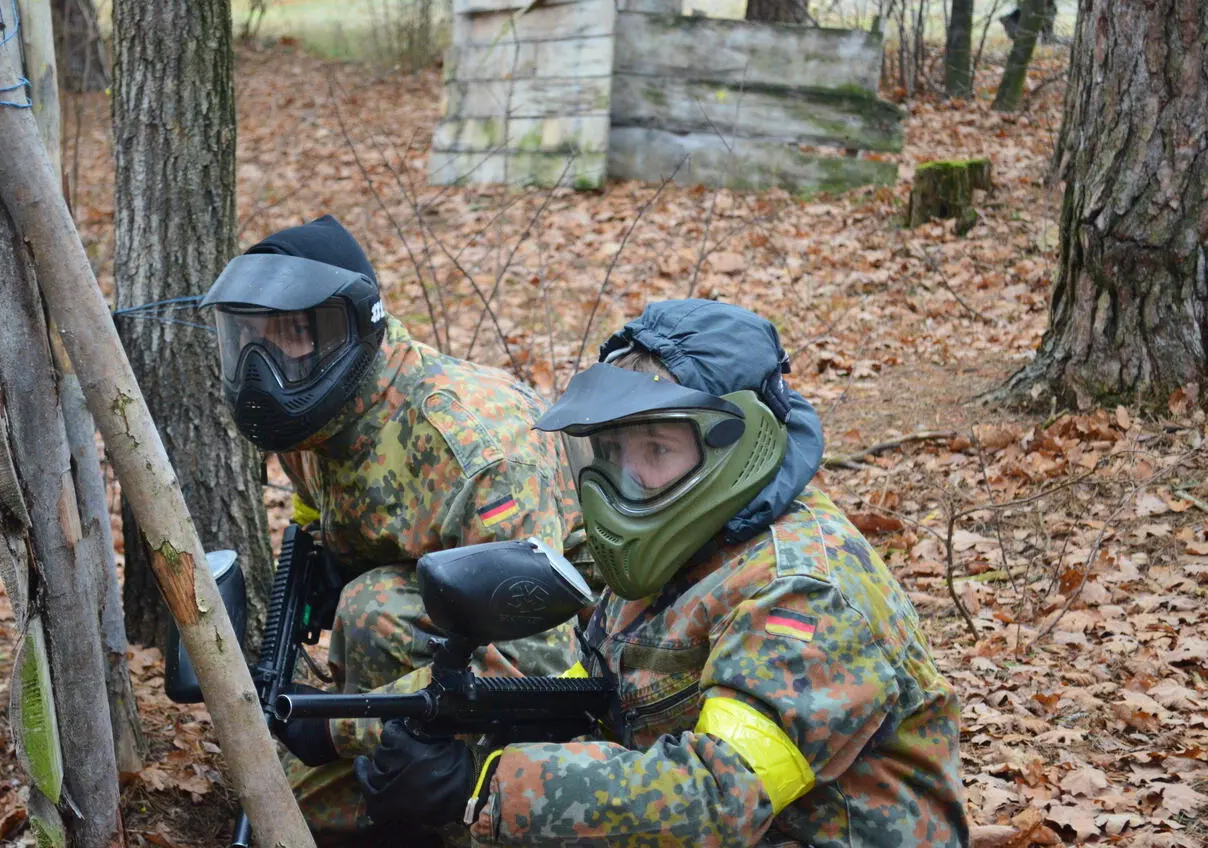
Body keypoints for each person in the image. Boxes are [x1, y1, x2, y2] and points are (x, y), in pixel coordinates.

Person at [353, 299, 969, 847]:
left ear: (736, 444)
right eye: (614, 451)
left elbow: (718, 798)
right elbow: (588, 693)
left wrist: (489, 789)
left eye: (656, 449)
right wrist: (441, 724)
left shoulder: (805, 588)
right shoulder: (680, 550)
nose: (628, 477)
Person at [201, 214, 588, 842]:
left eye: (293, 333)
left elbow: (540, 658)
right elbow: (315, 513)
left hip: (563, 675)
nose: (264, 366)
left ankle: (465, 803)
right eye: (249, 339)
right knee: (279, 810)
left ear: (350, 328)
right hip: (441, 646)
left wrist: (337, 725)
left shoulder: (477, 450)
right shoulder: (314, 421)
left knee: (373, 606)